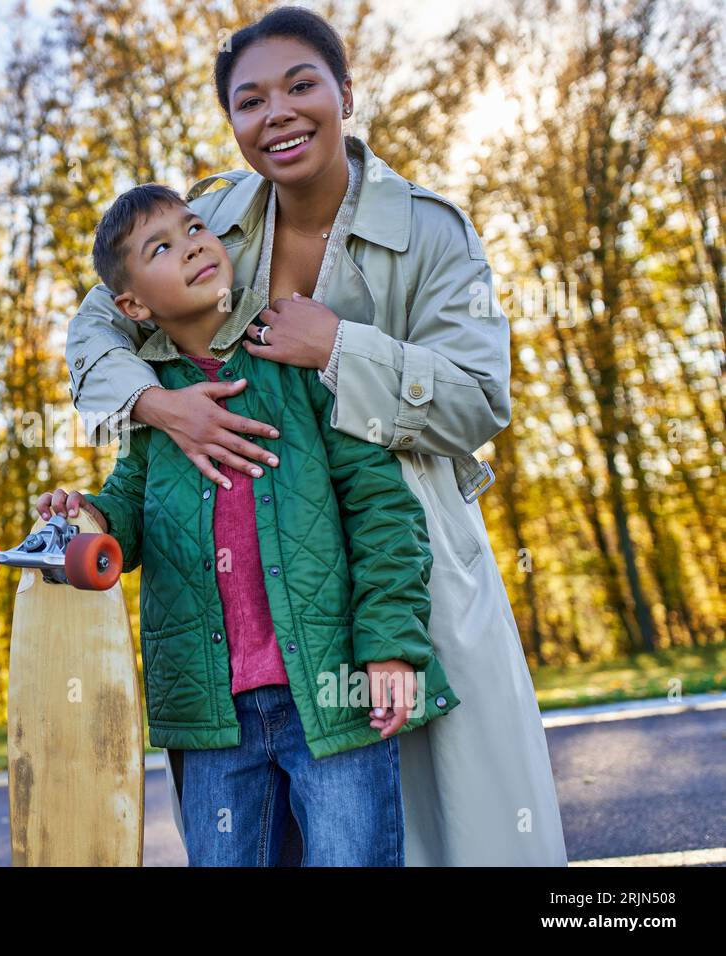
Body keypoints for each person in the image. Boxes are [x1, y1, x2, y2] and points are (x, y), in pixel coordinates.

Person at [63, 6, 569, 865]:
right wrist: (161, 407)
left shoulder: (430, 229)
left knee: (444, 819)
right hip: (254, 563)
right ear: (233, 122)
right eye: (251, 101)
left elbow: (482, 399)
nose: (279, 114)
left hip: (400, 544)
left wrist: (339, 346)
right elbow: (94, 330)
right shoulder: (211, 213)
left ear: (344, 89)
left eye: (302, 85)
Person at [36, 182, 460, 866]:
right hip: (211, 715)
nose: (194, 244)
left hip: (332, 690)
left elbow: (382, 510)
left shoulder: (296, 367)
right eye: (162, 246)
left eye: (194, 226)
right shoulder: (153, 415)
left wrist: (391, 643)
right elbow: (126, 517)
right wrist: (81, 517)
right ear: (134, 305)